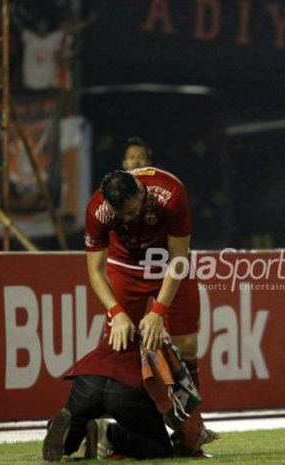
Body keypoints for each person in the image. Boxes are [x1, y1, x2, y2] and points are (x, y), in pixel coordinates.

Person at [43, 167, 204, 461]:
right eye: (123, 215)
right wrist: (116, 312)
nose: (129, 220)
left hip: (167, 263)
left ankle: (190, 431)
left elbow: (180, 257)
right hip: (125, 268)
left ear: (141, 193)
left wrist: (158, 310)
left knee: (187, 344)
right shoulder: (99, 210)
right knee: (117, 345)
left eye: (132, 212)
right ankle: (105, 435)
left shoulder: (171, 193)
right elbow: (95, 269)